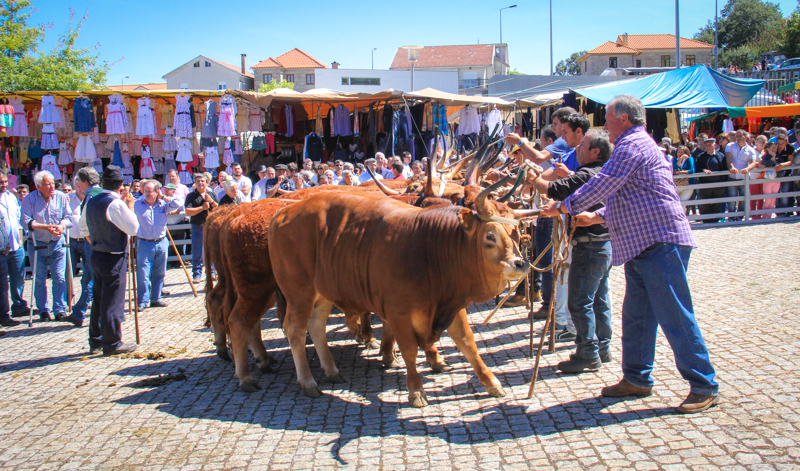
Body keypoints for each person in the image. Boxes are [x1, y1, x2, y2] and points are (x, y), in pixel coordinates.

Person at [543, 95, 719, 414]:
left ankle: (704, 384)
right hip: (646, 243)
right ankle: (636, 378)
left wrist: (563, 206)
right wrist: (598, 217)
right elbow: (633, 197)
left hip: (659, 242)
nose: (605, 124)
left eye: (608, 119)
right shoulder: (634, 144)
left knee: (675, 315)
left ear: (624, 119)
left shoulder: (631, 145)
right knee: (637, 316)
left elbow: (604, 185)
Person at [533, 130, 614, 372]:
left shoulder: (587, 173)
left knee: (580, 301)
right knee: (598, 299)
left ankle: (587, 353)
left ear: (595, 152)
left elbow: (552, 189)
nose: (577, 150)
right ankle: (602, 348)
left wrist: (531, 178)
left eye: (582, 147)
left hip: (589, 245)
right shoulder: (601, 173)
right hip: (602, 244)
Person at [80, 165, 140, 355]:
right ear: (121, 185)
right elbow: (133, 228)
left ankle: (95, 340)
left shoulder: (91, 201)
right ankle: (112, 342)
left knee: (98, 298)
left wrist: (98, 243)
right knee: (112, 300)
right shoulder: (115, 204)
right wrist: (130, 207)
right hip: (114, 256)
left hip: (97, 253)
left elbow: (82, 229)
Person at [20, 171, 73, 322]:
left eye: (52, 183)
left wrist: (62, 226)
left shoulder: (61, 197)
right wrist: (45, 227)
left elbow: (69, 218)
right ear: (38, 186)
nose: (52, 186)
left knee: (59, 277)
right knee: (39, 278)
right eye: (47, 184)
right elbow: (25, 221)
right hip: (37, 243)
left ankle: (59, 309)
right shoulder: (29, 199)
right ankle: (43, 310)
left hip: (57, 243)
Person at [134, 180, 179, 310]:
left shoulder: (163, 204)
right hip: (144, 242)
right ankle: (142, 301)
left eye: (150, 191)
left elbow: (177, 203)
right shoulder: (137, 204)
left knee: (160, 273)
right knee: (143, 274)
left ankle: (156, 298)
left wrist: (163, 197)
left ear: (156, 192)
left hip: (161, 242)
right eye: (145, 190)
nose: (147, 193)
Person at [67, 167, 102, 326]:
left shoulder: (90, 197)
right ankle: (80, 312)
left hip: (92, 242)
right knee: (89, 278)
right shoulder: (103, 193)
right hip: (99, 241)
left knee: (89, 279)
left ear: (86, 181)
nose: (77, 185)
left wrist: (89, 241)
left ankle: (79, 312)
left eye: (79, 181)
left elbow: (84, 223)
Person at [0, 170, 28, 321]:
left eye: (5, 181)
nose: (4, 185)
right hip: (1, 249)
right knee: (2, 284)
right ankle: (3, 315)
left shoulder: (11, 197)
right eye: (1, 182)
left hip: (15, 246)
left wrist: (20, 240)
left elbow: (18, 219)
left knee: (18, 278)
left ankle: (19, 306)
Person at [184, 173, 218, 283]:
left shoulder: (211, 194)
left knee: (211, 250)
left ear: (207, 182)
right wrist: (202, 208)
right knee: (197, 252)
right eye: (198, 181)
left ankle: (211, 272)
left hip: (210, 227)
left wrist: (211, 202)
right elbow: (188, 211)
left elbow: (219, 208)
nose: (201, 183)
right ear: (195, 183)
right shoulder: (191, 196)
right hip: (197, 227)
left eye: (203, 181)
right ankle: (197, 274)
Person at [725, 130, 758, 220]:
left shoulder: (751, 149)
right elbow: (728, 158)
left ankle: (740, 216)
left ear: (745, 137)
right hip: (733, 176)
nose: (738, 138)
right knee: (732, 198)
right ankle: (731, 216)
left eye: (740, 136)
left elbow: (753, 162)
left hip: (744, 177)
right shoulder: (730, 146)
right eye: (737, 136)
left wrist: (747, 169)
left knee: (743, 197)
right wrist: (731, 167)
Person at [695, 137, 728, 223]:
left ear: (714, 145)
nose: (708, 147)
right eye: (707, 145)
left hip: (719, 183)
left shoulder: (721, 155)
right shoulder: (701, 156)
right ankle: (707, 220)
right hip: (706, 184)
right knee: (705, 203)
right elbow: (697, 168)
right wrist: (704, 170)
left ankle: (715, 220)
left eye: (710, 145)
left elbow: (724, 167)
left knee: (718, 202)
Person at [774, 133, 796, 210]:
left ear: (786, 142)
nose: (780, 146)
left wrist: (782, 165)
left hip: (786, 174)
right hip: (775, 175)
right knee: (776, 193)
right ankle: (778, 211)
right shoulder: (774, 147)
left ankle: (785, 210)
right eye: (779, 143)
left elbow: (791, 161)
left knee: (785, 193)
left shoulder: (790, 148)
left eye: (782, 143)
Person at [672, 146, 695, 216]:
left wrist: (680, 172)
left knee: (682, 203)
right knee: (676, 204)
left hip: (687, 186)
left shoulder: (689, 159)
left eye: (681, 152)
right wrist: (680, 159)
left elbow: (692, 170)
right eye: (678, 152)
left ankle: (683, 219)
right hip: (677, 186)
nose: (680, 153)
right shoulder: (674, 160)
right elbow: (674, 169)